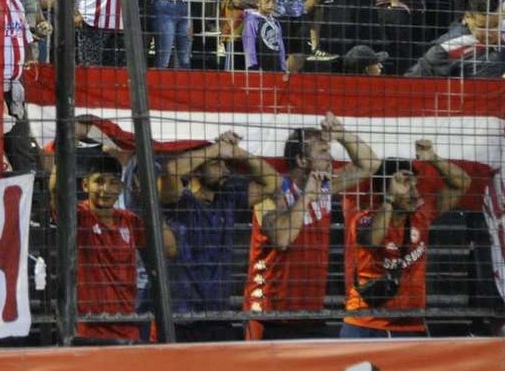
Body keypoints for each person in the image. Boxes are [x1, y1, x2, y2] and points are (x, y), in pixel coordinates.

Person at [244, 114, 378, 340]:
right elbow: (282, 240)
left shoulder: (325, 187)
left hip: (309, 310)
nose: (330, 157)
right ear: (302, 160)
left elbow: (370, 164)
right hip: (268, 314)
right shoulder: (271, 191)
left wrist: (341, 134)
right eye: (323, 151)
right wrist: (307, 196)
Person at [340, 141, 470, 338]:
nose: (414, 193)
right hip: (365, 324)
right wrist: (390, 199)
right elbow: (372, 240)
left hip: (411, 325)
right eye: (405, 185)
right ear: (385, 189)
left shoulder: (422, 215)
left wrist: (433, 159)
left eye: (414, 184)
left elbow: (463, 183)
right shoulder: (364, 218)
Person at [161, 132, 277, 341]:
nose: (225, 170)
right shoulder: (177, 202)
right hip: (182, 319)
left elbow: (273, 181)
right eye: (216, 164)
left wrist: (237, 152)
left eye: (226, 164)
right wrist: (215, 149)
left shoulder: (227, 199)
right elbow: (171, 170)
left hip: (219, 316)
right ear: (197, 168)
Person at [75, 153, 174, 342]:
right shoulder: (78, 216)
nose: (106, 189)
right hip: (89, 329)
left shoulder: (129, 220)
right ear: (85, 185)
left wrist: (150, 200)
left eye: (113, 183)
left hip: (127, 327)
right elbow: (56, 194)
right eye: (99, 182)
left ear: (120, 188)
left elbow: (169, 249)